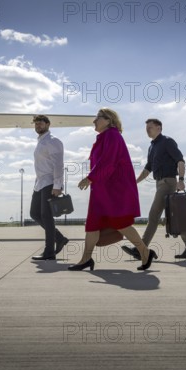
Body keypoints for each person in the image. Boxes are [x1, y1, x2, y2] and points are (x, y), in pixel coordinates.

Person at [69, 108, 157, 271]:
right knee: (92, 224)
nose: (94, 121)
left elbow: (108, 162)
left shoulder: (112, 135)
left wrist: (90, 178)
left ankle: (145, 252)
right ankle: (86, 259)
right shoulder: (104, 137)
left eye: (98, 118)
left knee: (120, 223)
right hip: (101, 189)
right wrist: (93, 179)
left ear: (109, 120)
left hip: (113, 190)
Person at [121, 118, 186, 260]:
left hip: (168, 182)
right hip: (159, 183)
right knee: (173, 217)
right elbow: (147, 169)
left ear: (159, 128)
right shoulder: (152, 147)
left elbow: (180, 160)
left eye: (150, 127)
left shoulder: (167, 142)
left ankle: (141, 249)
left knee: (153, 215)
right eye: (146, 128)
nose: (147, 130)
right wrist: (134, 182)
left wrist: (181, 180)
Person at [30, 115, 70, 261]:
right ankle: (59, 238)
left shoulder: (53, 141)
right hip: (39, 184)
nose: (38, 126)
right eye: (36, 124)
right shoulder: (40, 142)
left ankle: (49, 252)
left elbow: (58, 164)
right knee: (35, 214)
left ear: (48, 124)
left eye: (40, 123)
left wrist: (57, 185)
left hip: (49, 183)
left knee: (46, 216)